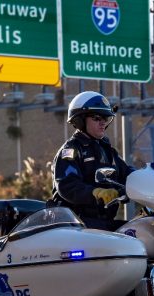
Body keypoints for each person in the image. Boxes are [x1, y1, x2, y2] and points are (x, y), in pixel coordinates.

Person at [51, 91, 134, 231]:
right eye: (96, 118)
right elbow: (67, 186)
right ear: (80, 120)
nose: (103, 123)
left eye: (105, 118)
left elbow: (126, 172)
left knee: (141, 232)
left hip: (102, 223)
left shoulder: (106, 150)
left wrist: (147, 178)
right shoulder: (71, 151)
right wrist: (95, 193)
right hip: (76, 225)